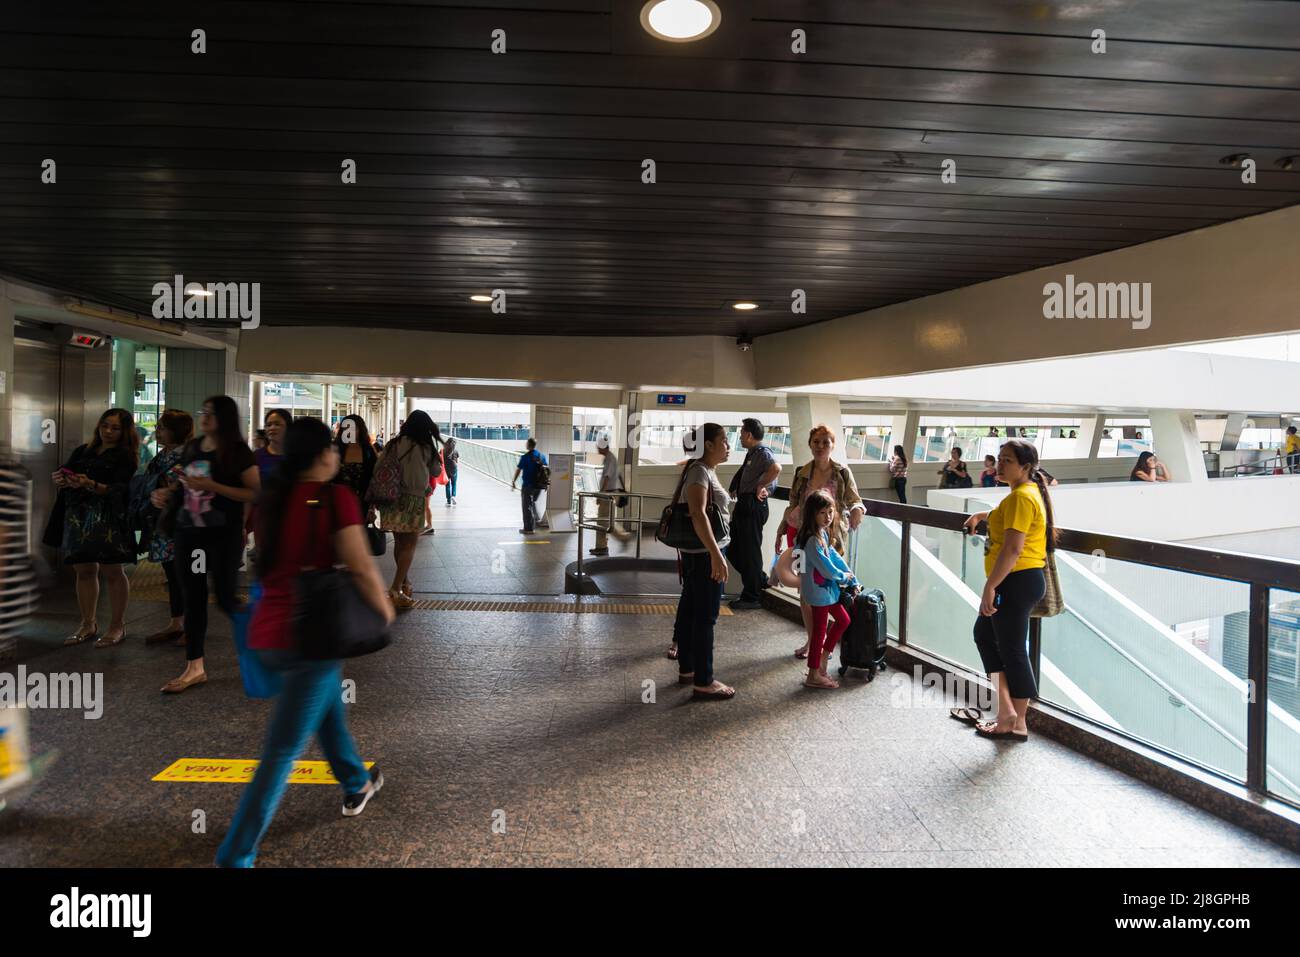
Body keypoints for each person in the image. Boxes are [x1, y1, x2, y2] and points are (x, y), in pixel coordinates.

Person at [215, 418, 394, 868]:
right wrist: (384, 609)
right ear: (321, 455)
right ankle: (236, 855)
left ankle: (356, 782)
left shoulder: (272, 497)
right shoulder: (334, 498)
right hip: (311, 636)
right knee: (280, 751)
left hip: (268, 630)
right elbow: (359, 566)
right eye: (332, 448)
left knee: (327, 708)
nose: (336, 455)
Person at [151, 396, 259, 693]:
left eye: (211, 413)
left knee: (224, 597)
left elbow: (253, 492)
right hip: (190, 532)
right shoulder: (194, 447)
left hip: (222, 534)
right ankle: (194, 668)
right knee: (194, 597)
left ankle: (261, 636)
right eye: (204, 411)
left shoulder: (238, 452)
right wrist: (167, 495)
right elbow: (185, 483)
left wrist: (214, 487)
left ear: (224, 417)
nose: (204, 417)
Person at [958, 439, 1054, 741]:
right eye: (999, 459)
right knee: (985, 636)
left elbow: (1013, 548)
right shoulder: (1020, 495)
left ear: (1025, 467)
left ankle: (1017, 721)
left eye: (1008, 460)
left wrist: (990, 586)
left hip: (1015, 580)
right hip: (1018, 580)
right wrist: (981, 517)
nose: (1000, 465)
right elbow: (1006, 519)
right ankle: (1007, 712)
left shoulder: (1022, 497)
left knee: (1012, 649)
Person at [45, 408, 140, 647]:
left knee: (112, 572)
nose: (108, 431)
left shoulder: (125, 456)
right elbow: (64, 473)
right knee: (84, 570)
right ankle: (88, 623)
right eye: (105, 425)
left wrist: (92, 484)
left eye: (115, 428)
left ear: (124, 431)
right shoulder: (83, 451)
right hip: (78, 517)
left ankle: (117, 626)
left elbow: (120, 489)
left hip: (109, 518)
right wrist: (61, 479)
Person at [777, 424, 865, 660]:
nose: (820, 446)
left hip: (830, 538)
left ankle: (821, 643)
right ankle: (812, 639)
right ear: (810, 444)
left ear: (833, 445)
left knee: (828, 591)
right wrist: (782, 527)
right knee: (806, 592)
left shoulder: (842, 472)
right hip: (802, 537)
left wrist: (857, 510)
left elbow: (855, 500)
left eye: (825, 442)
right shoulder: (802, 472)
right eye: (816, 442)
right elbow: (793, 504)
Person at [668, 424, 735, 699]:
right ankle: (704, 680)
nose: (728, 445)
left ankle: (688, 669)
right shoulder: (699, 471)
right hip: (705, 554)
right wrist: (717, 555)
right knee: (705, 617)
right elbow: (698, 513)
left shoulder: (702, 470)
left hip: (700, 553)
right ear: (708, 444)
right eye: (724, 440)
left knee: (691, 611)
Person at [373, 410, 440, 607]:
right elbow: (436, 471)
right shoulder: (426, 447)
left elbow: (379, 467)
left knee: (400, 543)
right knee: (410, 544)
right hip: (414, 499)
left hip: (391, 497)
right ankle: (395, 588)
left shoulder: (393, 443)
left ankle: (405, 582)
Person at [139, 410, 194, 646]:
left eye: (162, 427)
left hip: (183, 524)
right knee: (172, 574)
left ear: (176, 431)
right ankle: (177, 622)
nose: (157, 431)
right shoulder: (162, 455)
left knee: (186, 576)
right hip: (163, 522)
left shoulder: (189, 456)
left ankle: (191, 625)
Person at [795, 490, 859, 690]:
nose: (828, 516)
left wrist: (852, 577)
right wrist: (844, 578)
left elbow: (834, 558)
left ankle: (822, 659)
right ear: (812, 514)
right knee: (819, 633)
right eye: (823, 513)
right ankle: (813, 674)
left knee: (843, 620)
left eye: (830, 512)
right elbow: (827, 568)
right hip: (819, 593)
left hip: (826, 592)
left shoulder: (821, 534)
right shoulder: (812, 540)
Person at [725, 418, 781, 609]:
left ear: (748, 434)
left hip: (753, 506)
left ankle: (752, 596)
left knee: (750, 551)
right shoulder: (753, 454)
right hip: (744, 505)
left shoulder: (763, 453)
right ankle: (758, 578)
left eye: (741, 433)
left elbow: (776, 468)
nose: (740, 437)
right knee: (732, 548)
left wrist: (760, 485)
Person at [590, 435, 633, 556]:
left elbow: (607, 477)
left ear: (603, 447)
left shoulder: (609, 458)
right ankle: (601, 546)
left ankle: (622, 537)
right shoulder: (610, 457)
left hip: (609, 493)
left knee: (603, 521)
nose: (597, 449)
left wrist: (601, 494)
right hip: (611, 492)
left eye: (598, 447)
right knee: (603, 520)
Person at [333, 414, 377, 512]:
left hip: (361, 501)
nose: (349, 432)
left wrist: (371, 507)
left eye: (353, 429)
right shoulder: (334, 448)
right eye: (346, 428)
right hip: (337, 500)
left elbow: (373, 476)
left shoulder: (368, 450)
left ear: (360, 430)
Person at [510, 438, 548, 535]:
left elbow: (518, 470)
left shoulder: (525, 457)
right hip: (539, 487)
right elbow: (546, 471)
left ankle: (528, 529)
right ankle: (534, 524)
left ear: (528, 445)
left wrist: (513, 481)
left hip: (528, 486)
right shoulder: (542, 456)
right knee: (532, 504)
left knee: (527, 507)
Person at [442, 436, 460, 505]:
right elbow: (457, 461)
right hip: (454, 468)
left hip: (446, 469)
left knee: (447, 485)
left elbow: (439, 459)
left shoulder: (442, 451)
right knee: (454, 483)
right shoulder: (455, 451)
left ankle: (448, 500)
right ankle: (453, 496)